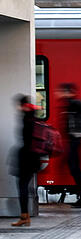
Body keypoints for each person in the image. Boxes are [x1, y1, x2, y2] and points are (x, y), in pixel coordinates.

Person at [11, 96, 43, 227]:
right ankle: (25, 215)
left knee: (22, 186)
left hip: (27, 158)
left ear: (23, 105)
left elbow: (26, 140)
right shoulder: (33, 117)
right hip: (34, 158)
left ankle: (24, 216)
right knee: (25, 185)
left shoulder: (26, 118)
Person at [58, 83, 81, 208]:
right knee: (75, 168)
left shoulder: (74, 104)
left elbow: (77, 122)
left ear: (68, 92)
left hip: (75, 140)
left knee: (75, 169)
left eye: (62, 91)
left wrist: (79, 134)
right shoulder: (74, 104)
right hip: (75, 140)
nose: (59, 94)